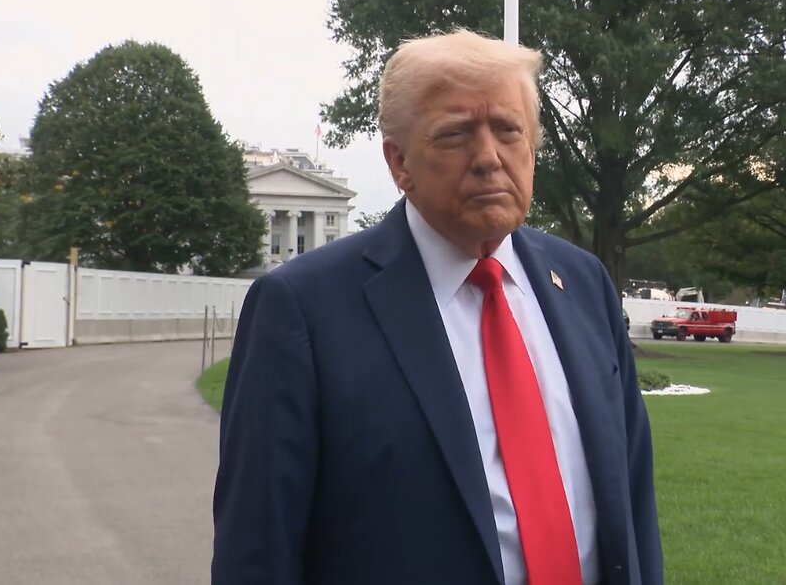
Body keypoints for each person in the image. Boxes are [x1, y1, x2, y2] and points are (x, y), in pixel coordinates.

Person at [212, 29, 662, 584]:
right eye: (454, 135)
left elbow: (634, 501)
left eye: (508, 130)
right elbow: (258, 552)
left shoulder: (583, 283)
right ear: (399, 162)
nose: (488, 158)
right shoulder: (302, 310)